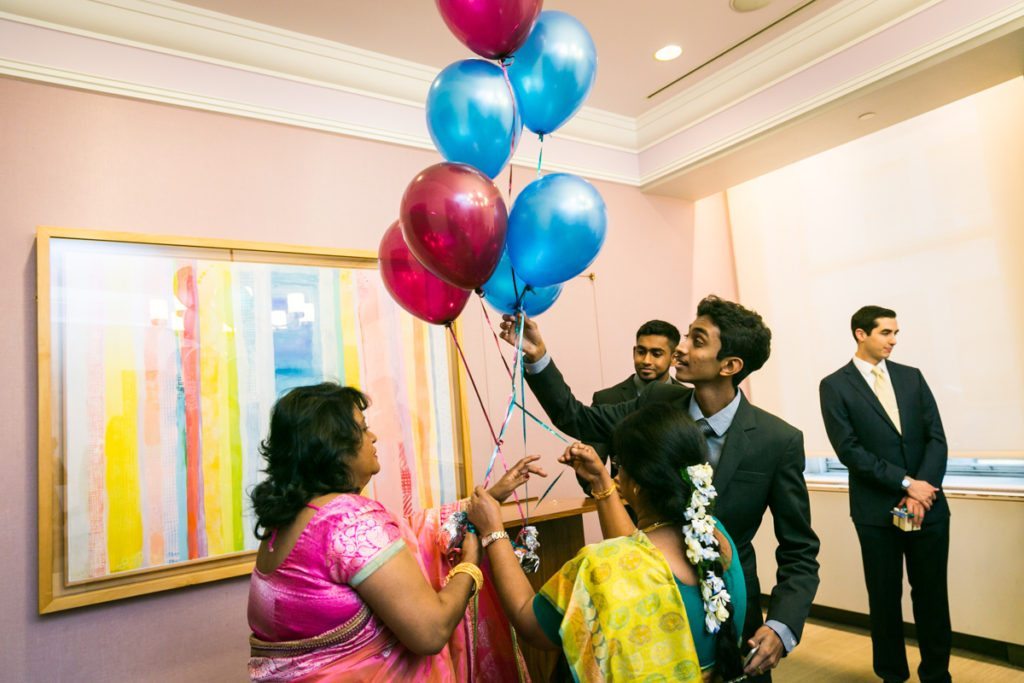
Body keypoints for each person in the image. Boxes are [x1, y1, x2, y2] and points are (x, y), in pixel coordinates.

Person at [500, 295, 820, 680]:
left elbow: (800, 550)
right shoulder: (656, 399)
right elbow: (580, 419)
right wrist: (537, 356)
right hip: (645, 604)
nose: (680, 349)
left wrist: (782, 628)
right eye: (686, 335)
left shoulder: (777, 440)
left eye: (697, 341)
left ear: (730, 366)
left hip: (731, 610)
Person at [246, 382, 544, 682]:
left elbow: (408, 533)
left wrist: (490, 498)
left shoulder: (287, 523)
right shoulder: (350, 521)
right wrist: (469, 566)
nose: (373, 438)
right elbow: (431, 631)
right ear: (334, 445)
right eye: (363, 429)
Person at [467, 403, 747, 682]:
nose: (615, 474)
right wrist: (601, 484)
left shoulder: (597, 566)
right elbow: (633, 562)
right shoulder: (715, 538)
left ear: (636, 483)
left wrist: (493, 530)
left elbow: (529, 621)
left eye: (620, 465)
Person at [819, 306, 950, 683]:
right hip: (876, 512)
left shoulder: (912, 378)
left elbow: (936, 438)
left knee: (932, 597)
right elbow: (850, 450)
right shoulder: (835, 385)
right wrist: (906, 484)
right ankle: (892, 675)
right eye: (886, 333)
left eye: (896, 333)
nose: (894, 340)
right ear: (861, 334)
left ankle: (938, 675)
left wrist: (920, 490)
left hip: (928, 508)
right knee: (884, 599)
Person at [583, 319, 682, 485]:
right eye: (641, 352)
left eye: (656, 354)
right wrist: (609, 490)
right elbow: (589, 466)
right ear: (634, 351)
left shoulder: (687, 398)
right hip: (624, 507)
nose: (646, 360)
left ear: (674, 358)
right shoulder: (607, 399)